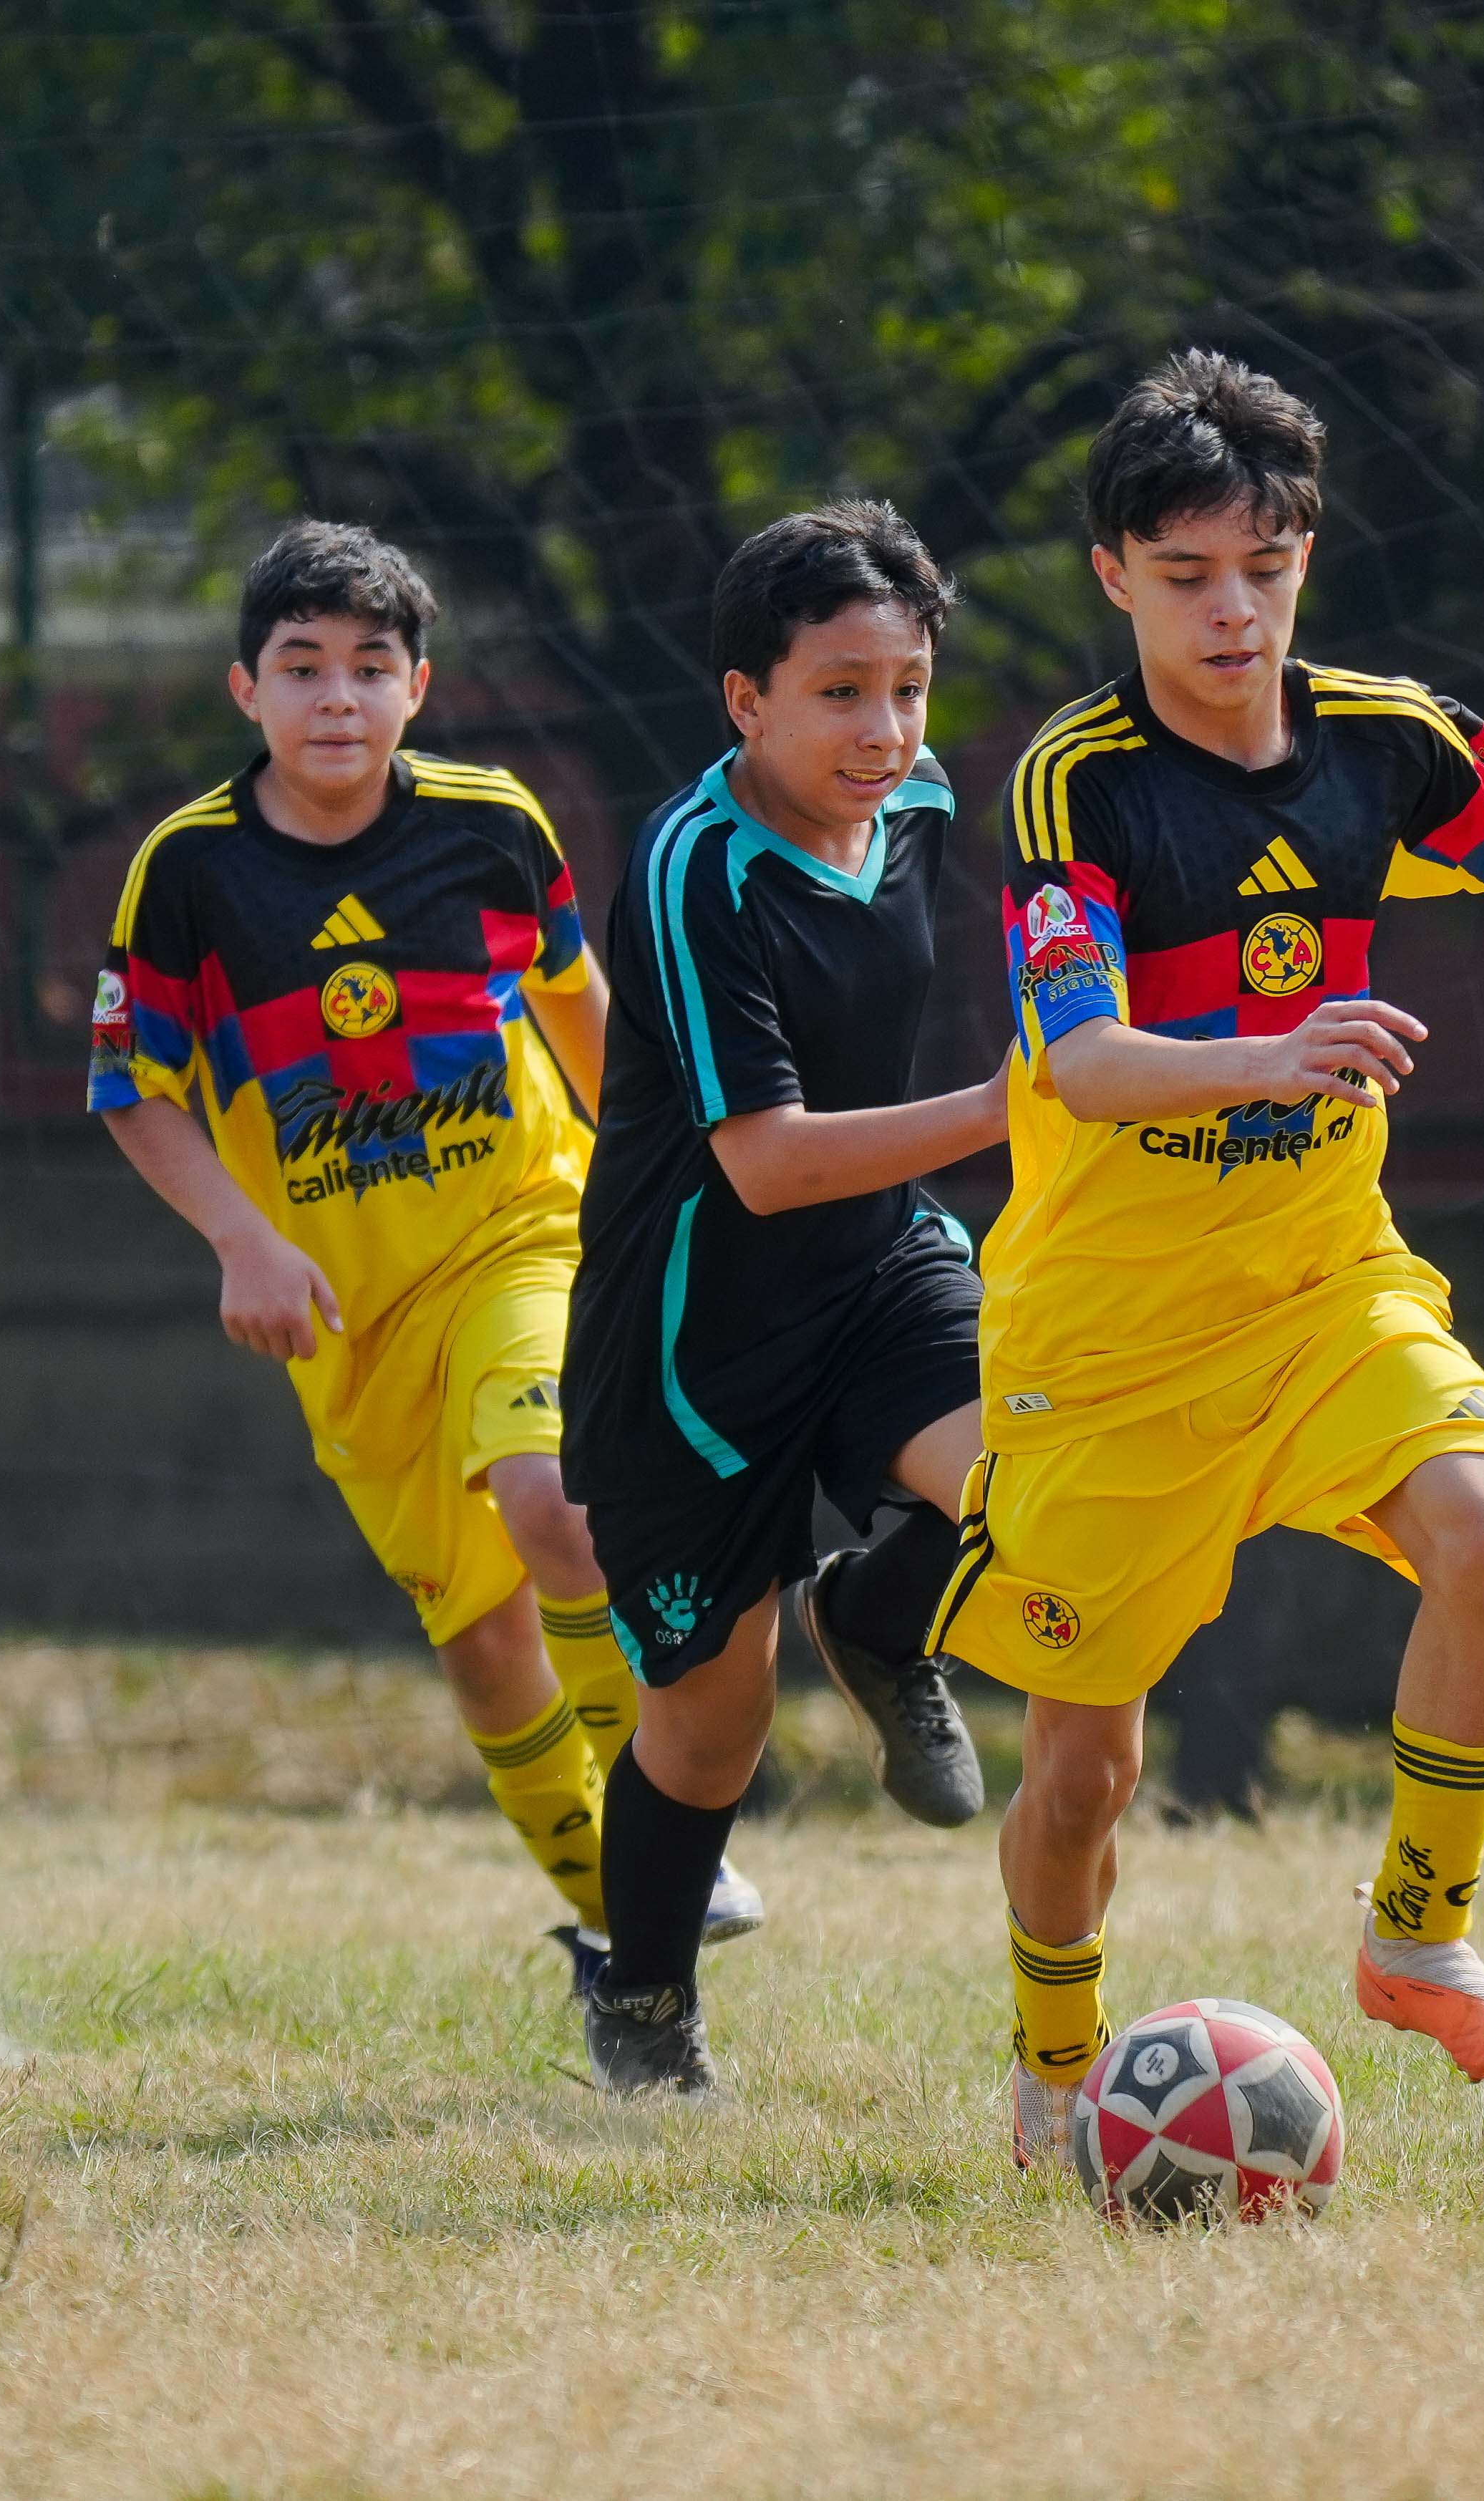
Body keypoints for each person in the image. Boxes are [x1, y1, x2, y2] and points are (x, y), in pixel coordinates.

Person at [931, 352, 1484, 2160]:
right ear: (1113, 575)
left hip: (1326, 1282)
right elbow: (1084, 1058)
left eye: (1264, 563)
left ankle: (1416, 1933)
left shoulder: (1389, 738)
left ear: (1306, 555)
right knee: (1085, 1770)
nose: (1230, 607)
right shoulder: (1072, 784)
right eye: (1183, 574)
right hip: (1102, 1339)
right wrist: (1273, 1052)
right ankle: (1047, 2068)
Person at [90, 520, 767, 1989]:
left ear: (417, 688)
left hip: (527, 1231)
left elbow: (588, 1015)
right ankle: (627, 1932)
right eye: (303, 667)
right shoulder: (188, 873)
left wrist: (671, 1191)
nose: (337, 696)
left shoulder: (491, 822)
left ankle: (669, 1823)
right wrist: (244, 1240)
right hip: (345, 1316)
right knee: (483, 1645)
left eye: (370, 667)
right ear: (244, 691)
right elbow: (130, 1086)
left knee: (555, 1502)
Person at [564, 500, 1005, 2096]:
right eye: (838, 690)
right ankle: (643, 2008)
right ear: (745, 700)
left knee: (1040, 1469)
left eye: (908, 684)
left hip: (883, 1266)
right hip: (691, 1345)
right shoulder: (696, 872)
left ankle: (878, 1615)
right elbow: (758, 1162)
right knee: (709, 1728)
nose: (884, 728)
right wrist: (1002, 1106)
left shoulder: (923, 800)